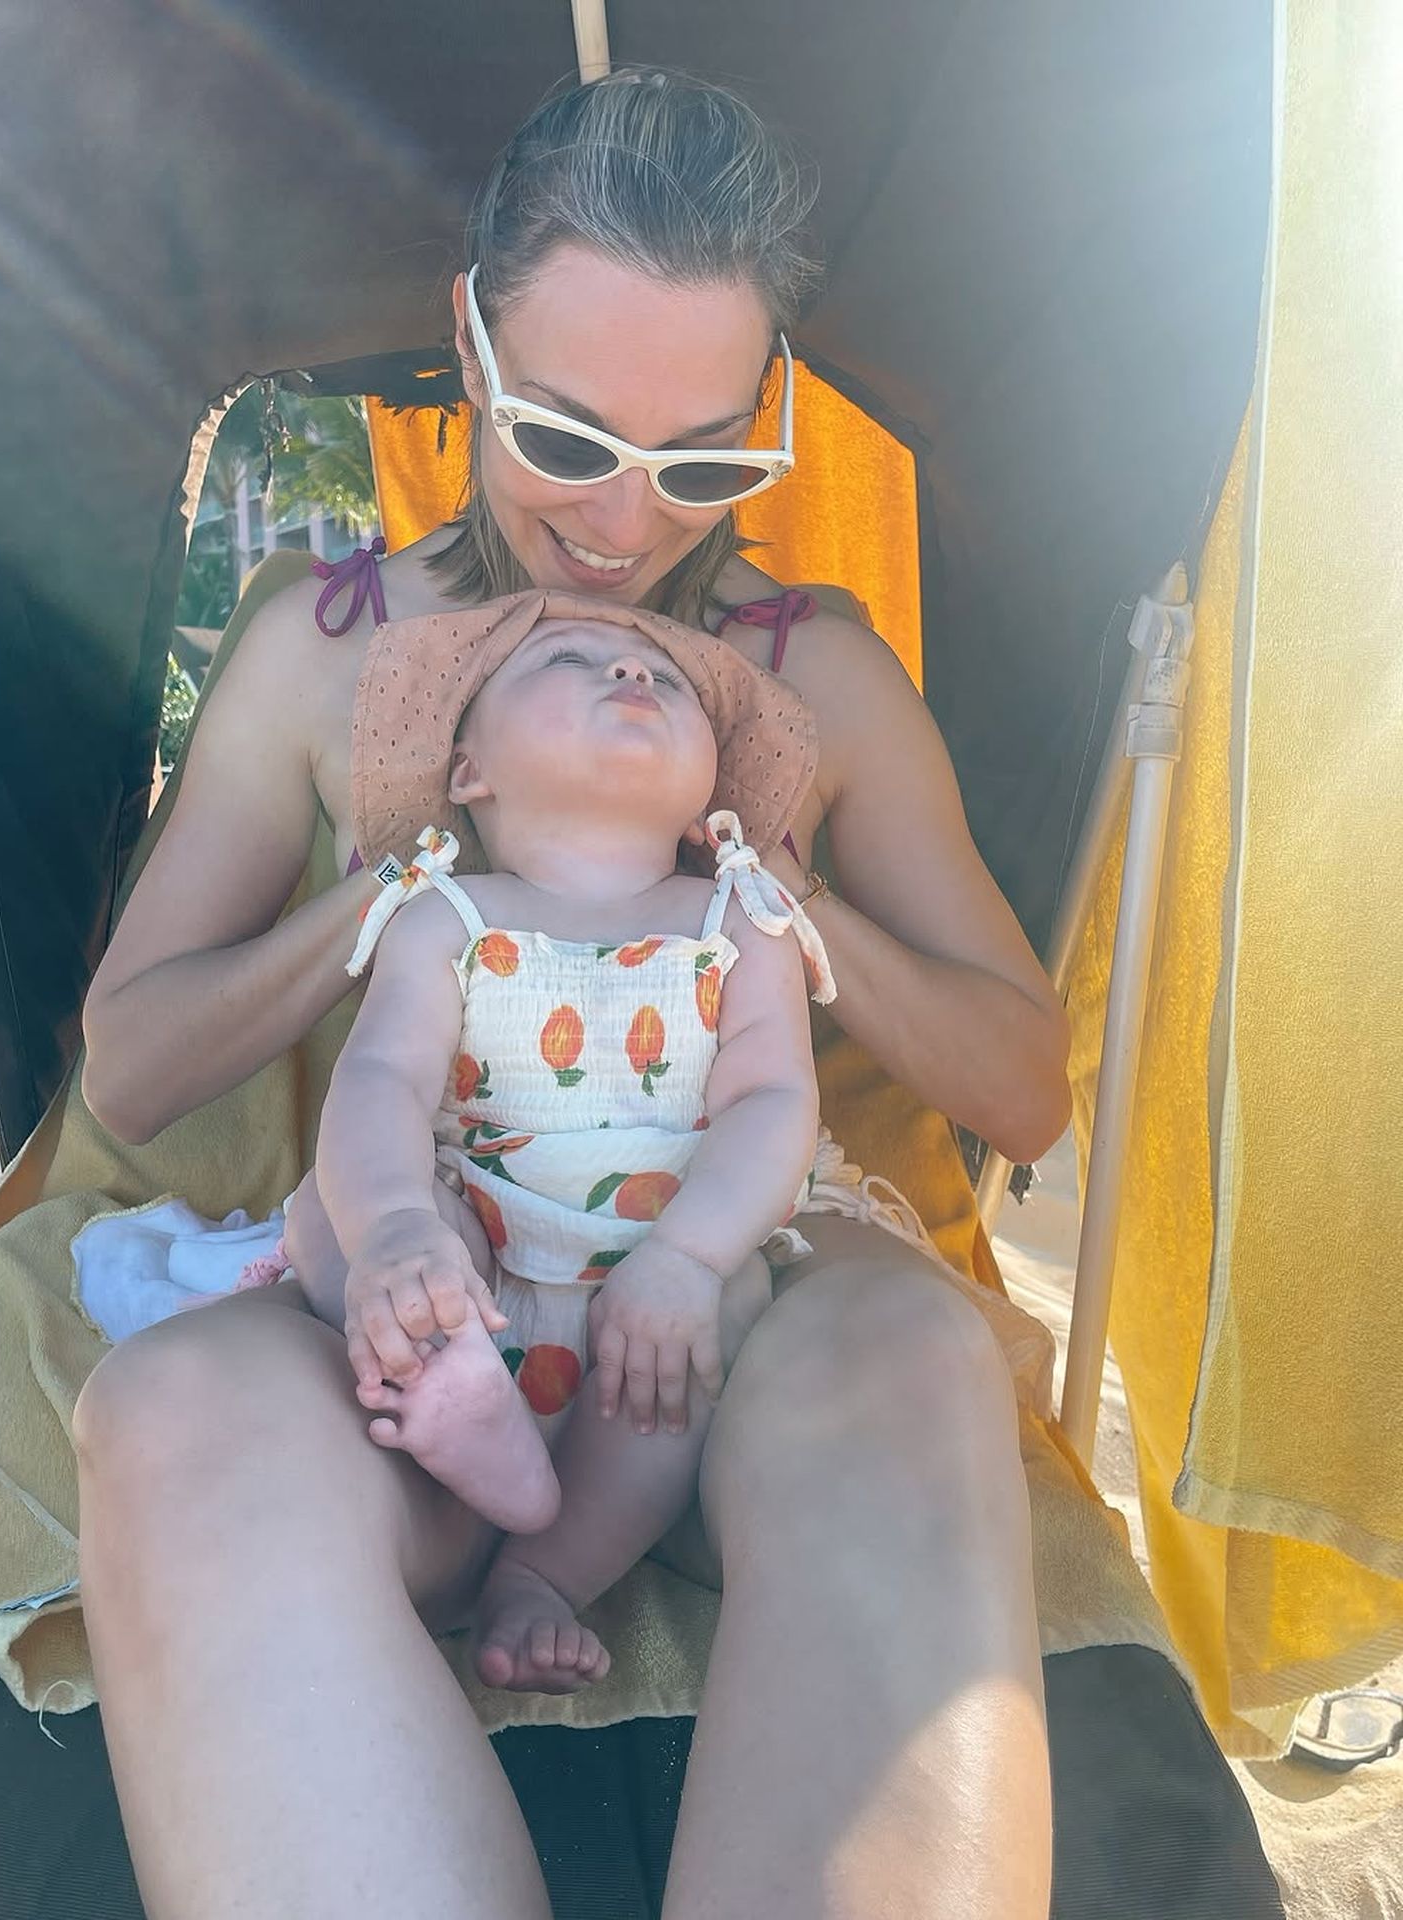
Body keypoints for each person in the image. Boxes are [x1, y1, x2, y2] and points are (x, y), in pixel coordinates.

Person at [76, 68, 1069, 1919]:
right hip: (422, 1283)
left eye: (701, 462)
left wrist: (784, 905)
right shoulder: (326, 654)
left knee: (912, 1358)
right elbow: (130, 1068)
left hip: (732, 1313)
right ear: (469, 342)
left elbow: (1024, 1089)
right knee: (172, 1415)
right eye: (566, 436)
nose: (625, 522)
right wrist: (406, 889)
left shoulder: (808, 675)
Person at [303, 607, 827, 1695]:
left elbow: (774, 1099)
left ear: (707, 790)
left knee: (733, 1303)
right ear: (471, 772)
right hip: (475, 1269)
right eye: (569, 660)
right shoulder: (444, 916)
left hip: (652, 1294)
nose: (631, 666)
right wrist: (397, 1226)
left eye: (667, 680)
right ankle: (462, 1410)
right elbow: (382, 1078)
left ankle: (544, 1572)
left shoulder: (738, 922)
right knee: (329, 1215)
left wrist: (689, 1258)